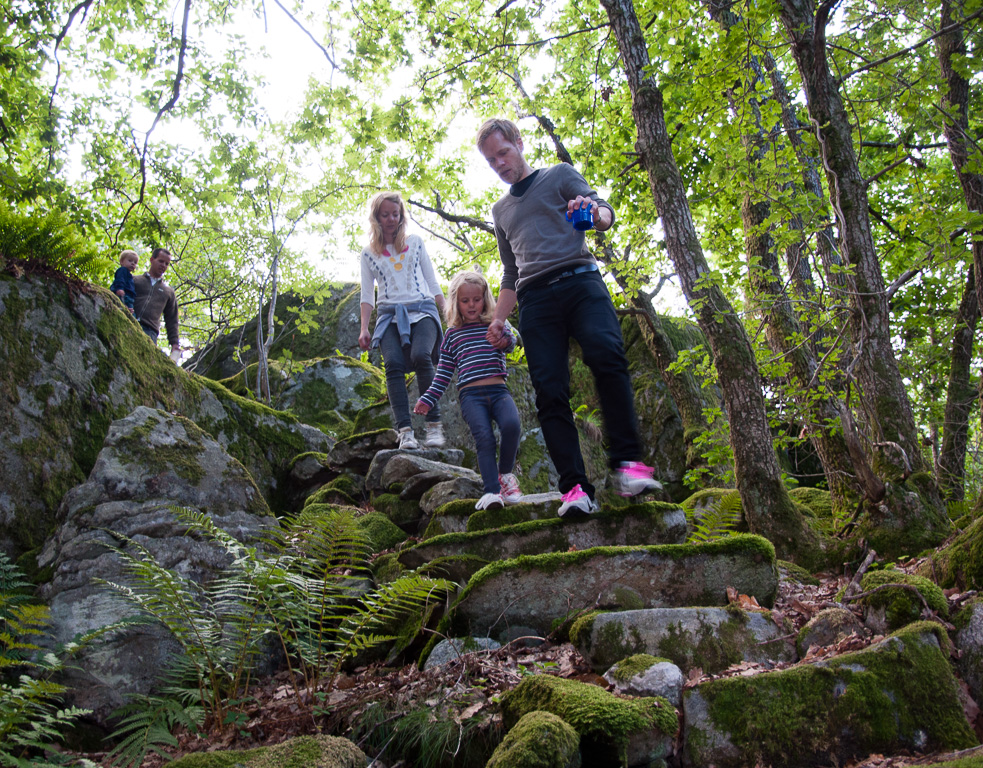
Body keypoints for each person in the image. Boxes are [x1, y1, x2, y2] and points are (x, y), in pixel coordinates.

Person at [476, 117, 661, 517]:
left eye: (503, 153)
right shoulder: (501, 210)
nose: (500, 164)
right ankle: (576, 490)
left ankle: (629, 464)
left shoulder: (559, 175)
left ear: (519, 144)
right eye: (491, 162)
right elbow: (511, 273)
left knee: (607, 354)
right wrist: (498, 319)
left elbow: (604, 212)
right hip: (536, 300)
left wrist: (593, 213)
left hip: (581, 282)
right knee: (550, 391)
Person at [414, 271, 522, 510]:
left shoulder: (494, 324)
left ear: (485, 299)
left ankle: (505, 475)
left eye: (477, 299)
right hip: (471, 396)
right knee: (484, 439)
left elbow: (513, 341)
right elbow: (443, 373)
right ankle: (492, 491)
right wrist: (428, 399)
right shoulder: (452, 335)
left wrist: (504, 339)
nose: (472, 305)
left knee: (512, 426)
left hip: (499, 391)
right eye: (465, 301)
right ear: (456, 303)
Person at [359, 191, 447, 450]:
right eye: (385, 214)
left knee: (422, 355)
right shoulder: (368, 254)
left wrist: (450, 315)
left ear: (401, 216)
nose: (390, 219)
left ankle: (434, 426)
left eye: (395, 214)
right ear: (376, 217)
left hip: (423, 311)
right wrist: (364, 327)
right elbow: (367, 295)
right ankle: (405, 432)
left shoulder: (416, 242)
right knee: (394, 364)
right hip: (389, 317)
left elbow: (432, 282)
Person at [133, 247, 181, 363]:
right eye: (161, 261)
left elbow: (172, 320)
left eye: (167, 263)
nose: (163, 265)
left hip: (150, 332)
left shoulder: (168, 292)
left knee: (142, 364)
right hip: (129, 321)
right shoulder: (135, 280)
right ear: (152, 260)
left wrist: (175, 344)